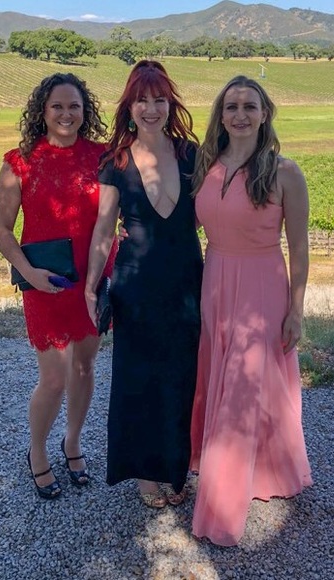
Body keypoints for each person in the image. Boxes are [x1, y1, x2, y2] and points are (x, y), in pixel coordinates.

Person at [189, 75, 313, 545]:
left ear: (264, 115)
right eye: (232, 106)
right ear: (221, 116)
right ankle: (264, 469)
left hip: (262, 288)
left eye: (249, 106)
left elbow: (299, 248)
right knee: (225, 377)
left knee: (243, 384)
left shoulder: (285, 172)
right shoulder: (205, 166)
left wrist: (296, 309)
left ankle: (221, 504)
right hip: (216, 282)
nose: (240, 114)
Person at [0, 72, 116, 499]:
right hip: (44, 283)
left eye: (74, 106)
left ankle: (73, 442)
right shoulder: (19, 162)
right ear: (42, 111)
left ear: (85, 111)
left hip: (94, 279)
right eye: (57, 106)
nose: (66, 114)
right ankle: (38, 450)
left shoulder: (103, 157)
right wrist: (29, 274)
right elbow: (1, 230)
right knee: (54, 379)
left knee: (84, 368)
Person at [85, 60, 203, 508]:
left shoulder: (192, 154)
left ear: (170, 104)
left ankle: (175, 467)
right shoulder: (115, 161)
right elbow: (103, 230)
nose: (151, 109)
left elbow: (213, 210)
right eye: (142, 100)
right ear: (129, 107)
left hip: (187, 282)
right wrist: (91, 287)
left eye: (159, 100)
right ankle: (144, 474)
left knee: (182, 376)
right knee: (138, 379)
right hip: (135, 285)